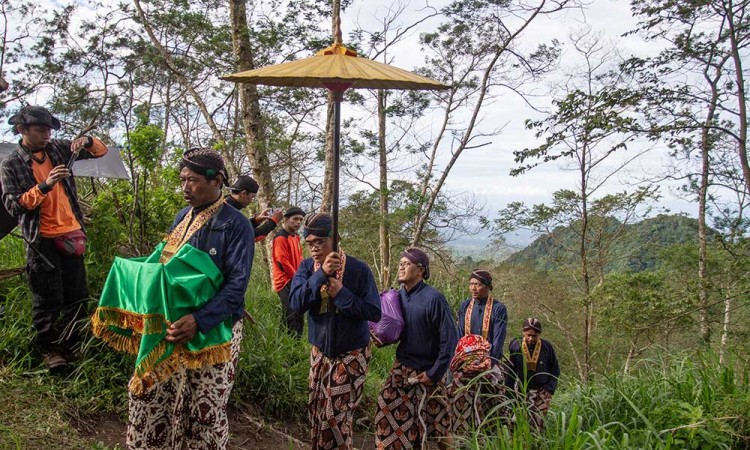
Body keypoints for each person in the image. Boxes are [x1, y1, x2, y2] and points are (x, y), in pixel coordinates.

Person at [92, 147, 254, 449]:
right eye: (182, 180)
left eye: (192, 180)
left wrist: (200, 319)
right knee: (155, 394)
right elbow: (164, 268)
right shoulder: (182, 217)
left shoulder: (235, 224)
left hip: (214, 330)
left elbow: (236, 286)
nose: (185, 188)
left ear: (217, 180)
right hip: (170, 325)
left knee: (204, 406)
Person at [1, 105, 107, 370]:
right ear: (22, 130)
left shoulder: (58, 149)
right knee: (48, 298)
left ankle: (71, 346)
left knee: (78, 295)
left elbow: (100, 151)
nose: (46, 134)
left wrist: (89, 141)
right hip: (41, 240)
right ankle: (50, 351)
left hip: (71, 233)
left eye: (49, 129)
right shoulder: (11, 164)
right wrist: (45, 185)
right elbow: (14, 206)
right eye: (40, 130)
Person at [289, 212, 381, 449]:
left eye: (320, 242)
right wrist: (320, 275)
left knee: (336, 416)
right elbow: (296, 303)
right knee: (317, 410)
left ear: (336, 239)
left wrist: (341, 294)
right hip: (320, 352)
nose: (315, 249)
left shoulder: (359, 270)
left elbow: (373, 312)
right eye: (310, 244)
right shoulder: (308, 268)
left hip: (351, 354)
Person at [374, 248, 457, 450]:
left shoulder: (434, 299)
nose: (401, 267)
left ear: (420, 270)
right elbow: (394, 330)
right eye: (400, 263)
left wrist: (435, 373)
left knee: (439, 426)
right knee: (384, 412)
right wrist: (380, 337)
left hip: (428, 372)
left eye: (406, 264)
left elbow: (450, 339)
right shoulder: (396, 297)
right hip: (401, 369)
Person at [449, 269, 511, 434]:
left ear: (488, 286)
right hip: (465, 361)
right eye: (471, 284)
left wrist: (489, 364)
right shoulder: (465, 306)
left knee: (492, 402)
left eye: (478, 284)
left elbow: (498, 340)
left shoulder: (498, 309)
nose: (473, 288)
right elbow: (460, 335)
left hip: (488, 362)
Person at [508, 318, 560, 432]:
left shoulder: (547, 347)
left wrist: (549, 390)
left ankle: (537, 444)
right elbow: (510, 370)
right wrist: (509, 391)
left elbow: (555, 369)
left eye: (534, 336)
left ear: (539, 335)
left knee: (538, 423)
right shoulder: (515, 345)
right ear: (523, 333)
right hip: (521, 390)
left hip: (541, 390)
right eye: (528, 335)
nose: (531, 338)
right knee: (516, 422)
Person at [271, 206, 306, 337]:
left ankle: (284, 341)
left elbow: (300, 258)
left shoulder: (296, 237)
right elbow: (282, 261)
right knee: (292, 313)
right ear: (285, 219)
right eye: (295, 219)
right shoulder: (280, 238)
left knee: (296, 312)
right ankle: (292, 343)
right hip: (285, 281)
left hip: (296, 279)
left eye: (301, 220)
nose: (298, 222)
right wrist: (297, 278)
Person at [225, 174, 282, 240]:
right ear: (243, 193)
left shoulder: (225, 206)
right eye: (252, 197)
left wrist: (256, 220)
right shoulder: (229, 212)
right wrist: (273, 222)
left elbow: (240, 228)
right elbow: (248, 236)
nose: (252, 201)